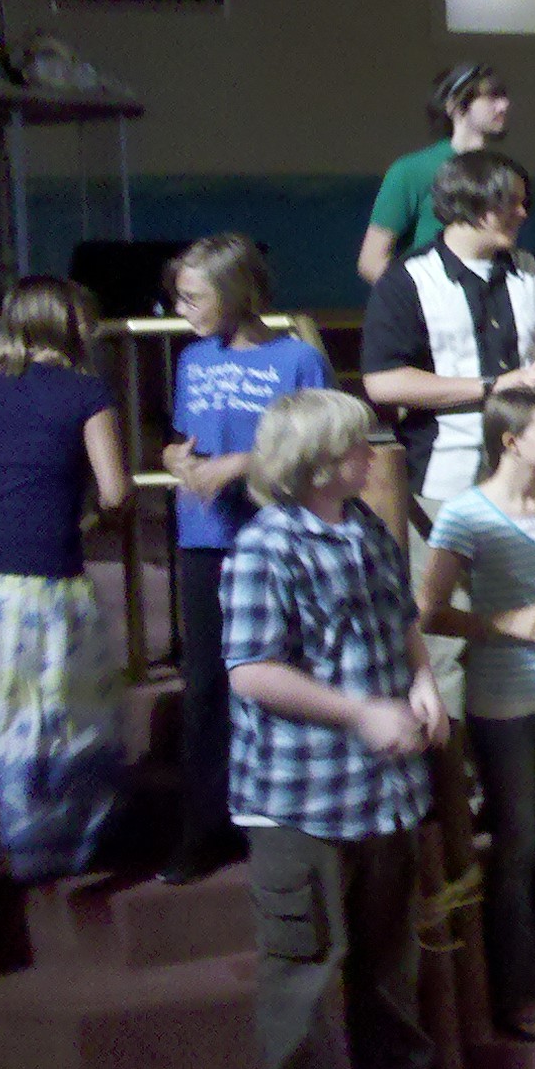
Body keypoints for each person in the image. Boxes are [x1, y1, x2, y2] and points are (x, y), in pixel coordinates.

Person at [221, 388, 470, 1069]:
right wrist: (360, 712)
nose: (373, 453)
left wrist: (422, 681)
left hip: (383, 789)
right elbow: (252, 671)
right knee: (301, 960)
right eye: (358, 444)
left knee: (389, 949)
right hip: (300, 793)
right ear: (316, 462)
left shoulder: (364, 526)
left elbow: (403, 620)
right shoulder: (265, 546)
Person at [417, 389, 535, 1043]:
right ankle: (518, 994)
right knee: (517, 846)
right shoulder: (467, 514)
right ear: (510, 441)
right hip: (501, 699)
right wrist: (500, 622)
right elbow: (430, 612)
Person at [160, 235, 330, 884]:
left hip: (278, 540)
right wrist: (177, 458)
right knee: (205, 683)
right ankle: (203, 828)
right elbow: (183, 438)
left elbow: (323, 445)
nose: (181, 310)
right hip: (205, 539)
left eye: (192, 297)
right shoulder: (193, 359)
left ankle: (288, 816)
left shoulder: (296, 359)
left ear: (234, 293)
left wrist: (241, 464)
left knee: (282, 670)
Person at [0, 277, 127, 884]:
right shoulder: (87, 393)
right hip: (47, 574)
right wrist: (92, 518)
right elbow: (115, 492)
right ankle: (50, 850)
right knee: (56, 711)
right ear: (67, 324)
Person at [360, 149, 535, 511]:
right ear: (472, 202)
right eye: (510, 202)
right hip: (444, 477)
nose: (522, 213)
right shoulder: (408, 280)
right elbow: (383, 382)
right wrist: (493, 386)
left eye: (524, 203)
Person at [357, 62, 510, 285]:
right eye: (492, 96)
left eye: (504, 96)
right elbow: (371, 261)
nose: (504, 105)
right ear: (454, 105)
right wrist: (418, 298)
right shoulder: (412, 170)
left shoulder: (504, 174)